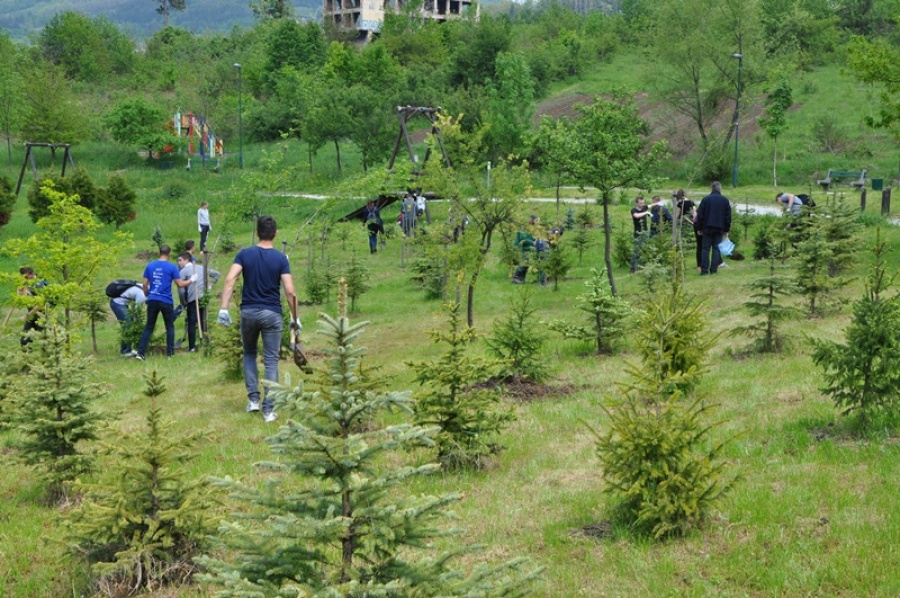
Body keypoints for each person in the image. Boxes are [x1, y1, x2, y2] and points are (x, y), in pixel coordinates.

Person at [218, 215, 299, 423]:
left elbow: (230, 279)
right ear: (276, 234)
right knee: (271, 360)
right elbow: (290, 292)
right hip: (272, 314)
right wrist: (295, 318)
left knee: (249, 354)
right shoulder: (281, 259)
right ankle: (268, 410)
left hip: (248, 312)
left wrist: (224, 309)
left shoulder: (244, 254)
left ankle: (253, 400)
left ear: (257, 233)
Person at [135, 245, 196, 360]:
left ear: (159, 252)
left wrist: (147, 294)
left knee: (149, 326)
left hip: (153, 299)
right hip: (166, 300)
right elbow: (180, 284)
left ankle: (141, 353)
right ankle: (170, 354)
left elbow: (144, 284)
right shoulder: (172, 267)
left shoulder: (150, 265)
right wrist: (192, 280)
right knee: (169, 327)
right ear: (170, 253)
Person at [176, 251, 220, 352]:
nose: (179, 263)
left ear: (187, 260)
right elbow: (217, 274)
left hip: (193, 299)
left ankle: (192, 347)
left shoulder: (183, 271)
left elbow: (181, 290)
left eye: (180, 260)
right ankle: (205, 341)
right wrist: (209, 286)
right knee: (203, 320)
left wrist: (183, 303)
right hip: (203, 298)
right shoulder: (201, 268)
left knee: (191, 322)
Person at [696, 181, 732, 275]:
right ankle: (714, 270)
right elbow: (727, 217)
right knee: (716, 249)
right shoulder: (725, 200)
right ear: (720, 189)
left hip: (707, 227)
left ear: (711, 188)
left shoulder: (706, 199)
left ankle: (704, 271)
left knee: (705, 249)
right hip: (719, 227)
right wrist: (726, 229)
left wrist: (699, 228)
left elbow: (700, 215)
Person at [109, 281, 147, 356]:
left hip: (122, 303)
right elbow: (136, 311)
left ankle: (128, 349)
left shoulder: (144, 288)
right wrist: (138, 325)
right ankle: (124, 351)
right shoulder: (143, 295)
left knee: (128, 325)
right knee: (127, 326)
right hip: (117, 303)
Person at [673, 189, 702, 269]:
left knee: (683, 234)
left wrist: (674, 221)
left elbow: (678, 213)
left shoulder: (680, 203)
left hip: (683, 220)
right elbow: (694, 211)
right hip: (690, 220)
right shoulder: (691, 202)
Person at [18, 266, 46, 347]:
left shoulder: (39, 284)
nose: (25, 279)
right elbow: (26, 298)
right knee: (24, 341)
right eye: (24, 277)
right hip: (32, 314)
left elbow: (40, 305)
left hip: (42, 315)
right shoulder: (27, 283)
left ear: (32, 274)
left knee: (45, 342)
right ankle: (27, 357)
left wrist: (27, 316)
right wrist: (20, 293)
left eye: (26, 277)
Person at [630, 195, 651, 273]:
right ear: (636, 203)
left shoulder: (644, 208)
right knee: (636, 251)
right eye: (641, 203)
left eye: (643, 203)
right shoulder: (633, 210)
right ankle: (632, 268)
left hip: (645, 233)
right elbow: (636, 216)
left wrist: (657, 203)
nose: (642, 204)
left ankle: (641, 267)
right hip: (638, 233)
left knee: (644, 250)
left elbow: (650, 205)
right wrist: (645, 213)